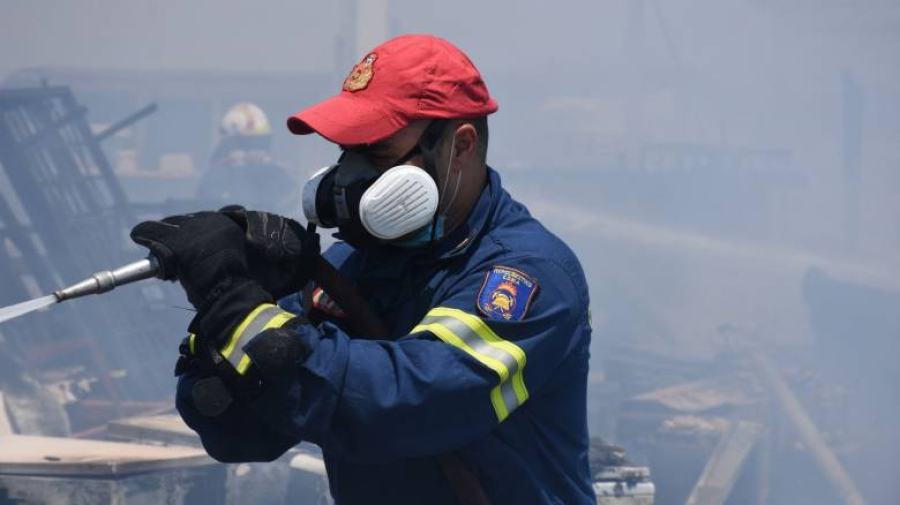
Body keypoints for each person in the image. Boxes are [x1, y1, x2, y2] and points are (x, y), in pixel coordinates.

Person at [131, 34, 595, 504]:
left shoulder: (526, 277)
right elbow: (242, 437)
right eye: (346, 152)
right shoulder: (349, 266)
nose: (350, 177)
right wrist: (235, 311)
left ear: (460, 147)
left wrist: (236, 305)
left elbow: (402, 406)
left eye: (375, 152)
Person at [195, 102, 296, 213]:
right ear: (230, 144)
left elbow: (289, 203)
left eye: (261, 143)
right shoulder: (215, 177)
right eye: (250, 144)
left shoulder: (276, 175)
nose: (258, 151)